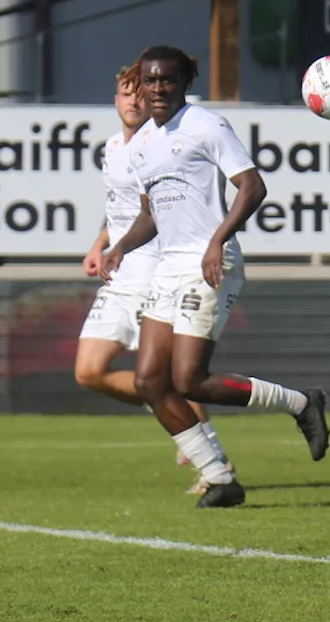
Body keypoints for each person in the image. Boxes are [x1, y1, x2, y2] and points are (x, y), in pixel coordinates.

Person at [100, 46, 330, 508]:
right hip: (168, 267)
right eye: (150, 81)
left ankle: (302, 403)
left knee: (188, 380)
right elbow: (151, 213)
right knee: (148, 382)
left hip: (209, 263)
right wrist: (120, 246)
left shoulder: (205, 125)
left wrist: (218, 239)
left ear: (185, 81)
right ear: (140, 86)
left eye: (167, 79)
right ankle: (220, 477)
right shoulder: (142, 142)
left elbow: (253, 186)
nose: (158, 88)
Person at [77, 69, 225, 491]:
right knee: (88, 372)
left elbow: (158, 210)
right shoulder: (112, 147)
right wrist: (100, 242)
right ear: (115, 99)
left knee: (171, 376)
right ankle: (175, 415)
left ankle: (207, 454)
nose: (133, 102)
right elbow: (121, 206)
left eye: (139, 95)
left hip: (155, 270)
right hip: (120, 273)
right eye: (125, 94)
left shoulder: (161, 145)